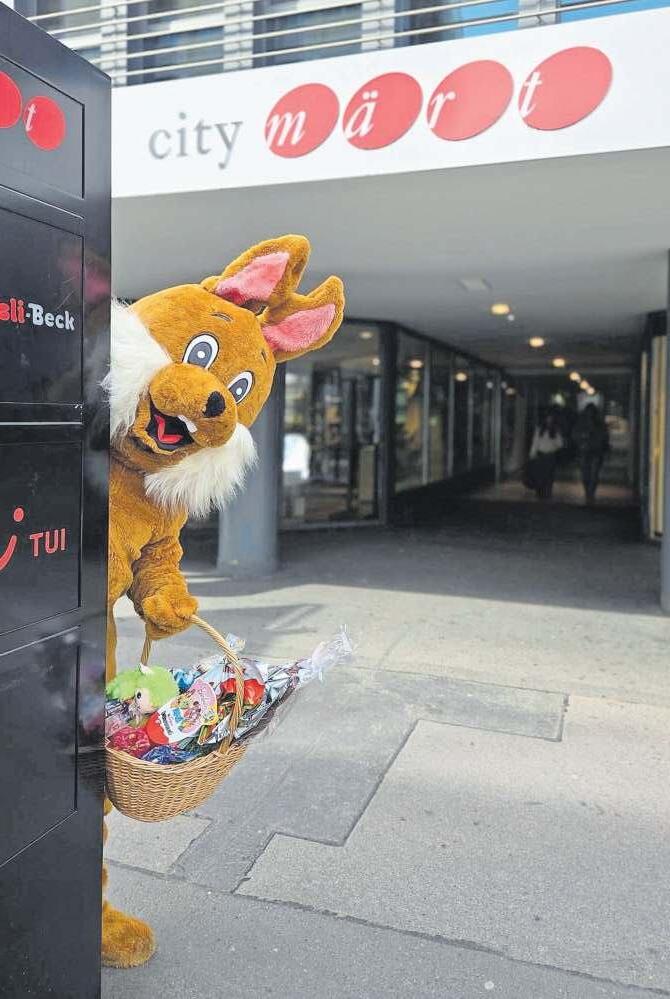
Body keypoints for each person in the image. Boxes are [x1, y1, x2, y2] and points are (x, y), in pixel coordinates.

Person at [573, 403, 610, 505]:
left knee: (592, 474)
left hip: (594, 451)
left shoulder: (598, 425)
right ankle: (589, 493)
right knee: (588, 474)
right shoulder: (582, 424)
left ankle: (590, 493)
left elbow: (604, 438)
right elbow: (575, 435)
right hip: (587, 451)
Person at [528, 409, 565, 499]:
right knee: (539, 475)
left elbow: (560, 444)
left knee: (549, 476)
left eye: (551, 418)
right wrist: (532, 454)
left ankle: (547, 493)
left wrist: (553, 445)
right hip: (540, 455)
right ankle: (540, 493)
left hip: (550, 456)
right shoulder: (539, 429)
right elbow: (535, 442)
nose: (549, 420)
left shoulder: (555, 430)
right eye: (548, 418)